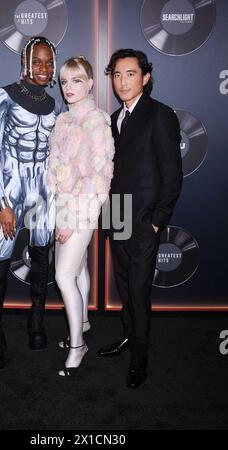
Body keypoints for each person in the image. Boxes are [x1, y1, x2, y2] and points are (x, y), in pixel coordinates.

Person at [98, 49, 183, 388]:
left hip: (144, 220)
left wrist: (157, 220)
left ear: (145, 78)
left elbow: (172, 173)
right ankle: (128, 337)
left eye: (130, 74)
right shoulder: (114, 118)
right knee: (123, 284)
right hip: (116, 214)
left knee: (138, 290)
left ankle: (140, 356)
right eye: (117, 75)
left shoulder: (159, 114)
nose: (122, 81)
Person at [0, 36, 60, 371]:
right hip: (12, 189)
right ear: (25, 63)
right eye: (38, 61)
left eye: (48, 62)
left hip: (43, 190)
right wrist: (2, 202)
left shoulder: (56, 105)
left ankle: (36, 323)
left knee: (42, 257)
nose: (43, 68)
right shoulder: (3, 96)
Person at [47, 56, 114, 376]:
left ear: (90, 83)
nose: (69, 88)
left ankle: (77, 345)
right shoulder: (63, 120)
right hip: (63, 205)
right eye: (64, 82)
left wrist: (71, 220)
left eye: (76, 81)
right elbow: (56, 171)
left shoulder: (97, 121)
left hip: (83, 210)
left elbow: (98, 178)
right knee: (79, 268)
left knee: (62, 275)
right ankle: (84, 323)